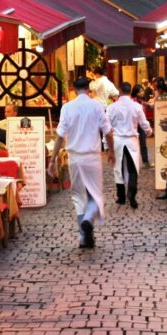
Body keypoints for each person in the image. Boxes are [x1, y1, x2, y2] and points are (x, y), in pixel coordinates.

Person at [50, 77, 111, 247]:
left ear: (74, 90)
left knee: (78, 196)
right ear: (88, 89)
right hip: (92, 157)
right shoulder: (97, 106)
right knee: (95, 194)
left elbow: (60, 136)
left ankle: (83, 237)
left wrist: (53, 159)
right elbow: (108, 132)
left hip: (74, 157)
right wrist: (111, 151)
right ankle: (88, 219)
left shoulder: (67, 107)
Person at [108, 81, 152, 209]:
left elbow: (106, 128)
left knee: (118, 168)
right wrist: (149, 131)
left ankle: (121, 197)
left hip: (117, 139)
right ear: (130, 91)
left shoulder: (112, 107)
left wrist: (106, 145)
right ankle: (132, 193)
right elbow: (144, 123)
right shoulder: (137, 106)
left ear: (120, 91)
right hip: (132, 140)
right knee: (133, 168)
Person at [131, 85, 152, 164]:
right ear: (136, 93)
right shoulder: (133, 101)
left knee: (143, 143)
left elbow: (149, 106)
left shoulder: (142, 101)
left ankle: (145, 161)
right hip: (135, 125)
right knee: (134, 144)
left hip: (141, 125)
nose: (142, 93)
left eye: (142, 91)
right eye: (140, 91)